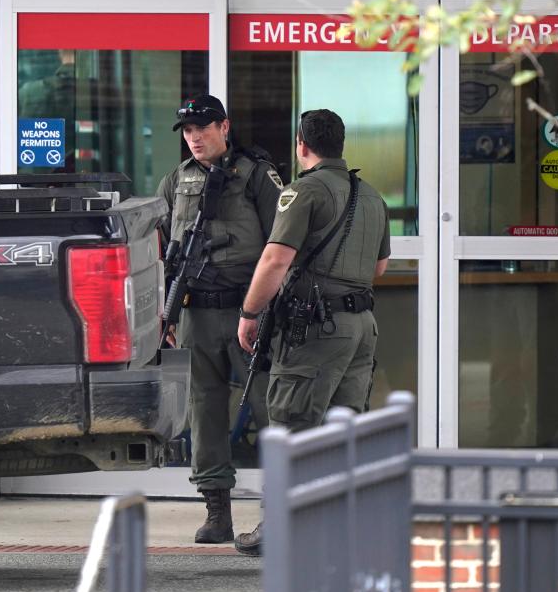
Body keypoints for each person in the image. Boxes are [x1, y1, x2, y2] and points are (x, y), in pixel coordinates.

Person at [234, 108, 390, 556]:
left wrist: (250, 312)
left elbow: (275, 260)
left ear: (301, 144)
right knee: (344, 427)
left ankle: (281, 528)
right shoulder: (372, 196)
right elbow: (379, 266)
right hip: (361, 326)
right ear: (341, 144)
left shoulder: (303, 192)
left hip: (317, 326)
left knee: (294, 423)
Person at [157, 94, 283, 544]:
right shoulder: (177, 180)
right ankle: (216, 511)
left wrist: (267, 306)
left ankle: (279, 506)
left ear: (223, 128)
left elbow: (281, 244)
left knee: (271, 406)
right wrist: (165, 309)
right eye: (187, 131)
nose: (194, 137)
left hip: (248, 309)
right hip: (197, 311)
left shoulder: (256, 174)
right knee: (204, 409)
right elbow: (162, 247)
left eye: (202, 128)